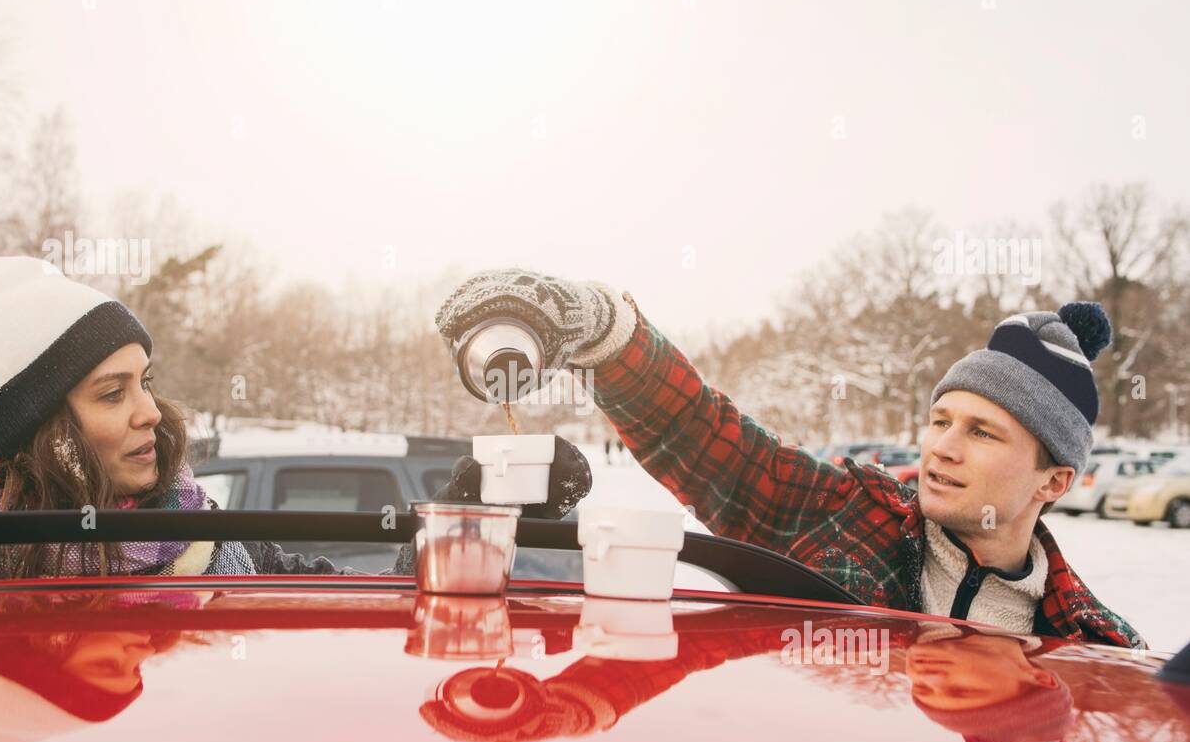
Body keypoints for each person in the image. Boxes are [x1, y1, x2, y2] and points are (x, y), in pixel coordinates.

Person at [434, 270, 1142, 647]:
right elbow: (707, 438)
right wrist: (600, 330)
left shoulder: (1096, 646)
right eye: (939, 420)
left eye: (984, 434)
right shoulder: (843, 513)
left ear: (1057, 479)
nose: (943, 448)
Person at [0, 248, 589, 584]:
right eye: (112, 394)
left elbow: (353, 603)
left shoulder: (212, 541)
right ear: (30, 432)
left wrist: (465, 516)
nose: (151, 416)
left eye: (146, 383)